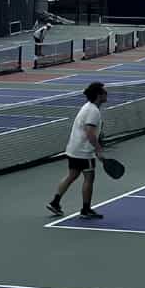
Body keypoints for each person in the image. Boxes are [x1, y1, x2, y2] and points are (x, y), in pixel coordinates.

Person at [47, 82, 108, 220]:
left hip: (74, 149)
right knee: (89, 177)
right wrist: (98, 149)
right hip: (84, 151)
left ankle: (55, 202)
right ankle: (86, 209)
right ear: (99, 96)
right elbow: (89, 132)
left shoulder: (88, 107)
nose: (106, 95)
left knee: (72, 175)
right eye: (104, 93)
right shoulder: (93, 111)